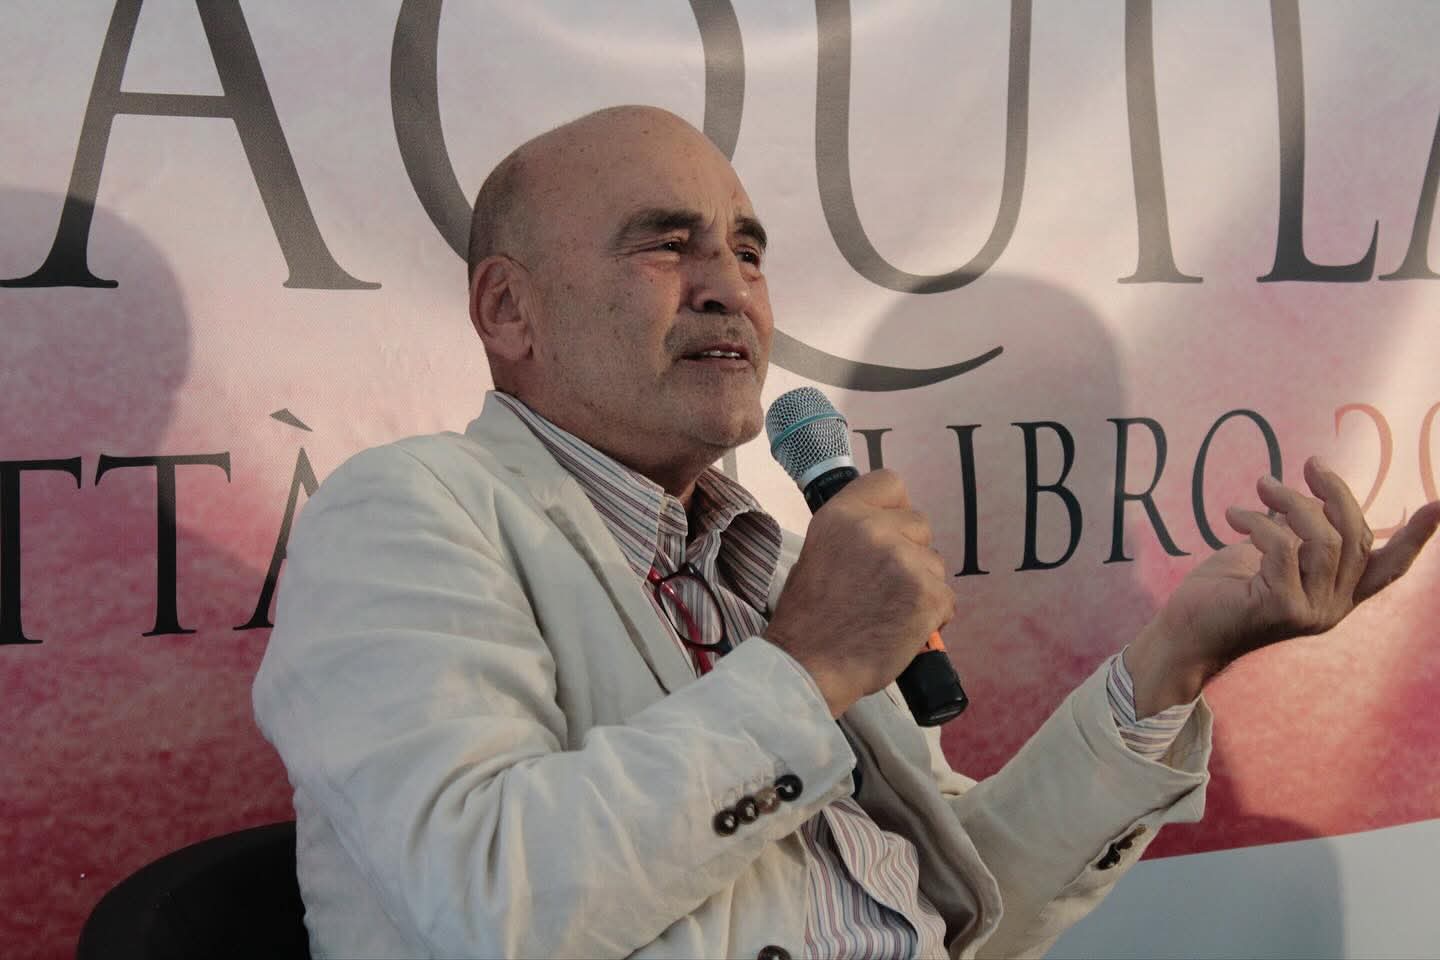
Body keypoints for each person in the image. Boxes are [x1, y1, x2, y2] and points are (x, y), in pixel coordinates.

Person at [252, 105, 1439, 960]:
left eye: (748, 250)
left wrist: (1175, 661)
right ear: (509, 309)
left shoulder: (770, 561)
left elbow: (966, 908)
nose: (729, 286)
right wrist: (807, 666)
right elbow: (487, 906)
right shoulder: (406, 512)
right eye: (667, 243)